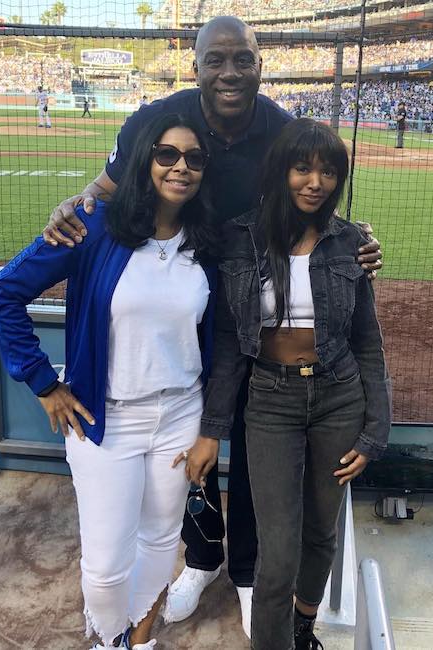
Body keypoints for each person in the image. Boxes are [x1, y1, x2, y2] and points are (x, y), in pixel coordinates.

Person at [40, 16, 383, 637]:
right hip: (190, 303)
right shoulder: (156, 119)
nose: (229, 73)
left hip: (260, 306)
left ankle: (249, 572)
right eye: (215, 60)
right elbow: (109, 187)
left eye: (242, 60)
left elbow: (313, 197)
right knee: (192, 448)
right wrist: (74, 203)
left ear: (259, 64)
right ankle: (201, 560)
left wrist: (356, 243)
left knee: (258, 451)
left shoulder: (279, 127)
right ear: (194, 64)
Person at [0, 114, 221, 649]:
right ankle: (108, 639)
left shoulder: (206, 241)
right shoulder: (93, 226)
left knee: (161, 542)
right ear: (144, 160)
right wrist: (44, 383)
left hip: (182, 416)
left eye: (194, 158)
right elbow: (5, 294)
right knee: (107, 563)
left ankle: (140, 642)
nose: (181, 167)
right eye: (167, 154)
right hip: (105, 417)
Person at [201, 119, 391, 649]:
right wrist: (212, 428)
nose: (316, 182)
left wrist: (376, 431)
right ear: (280, 170)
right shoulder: (240, 238)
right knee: (277, 550)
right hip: (270, 402)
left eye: (329, 172)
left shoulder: (350, 241)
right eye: (303, 168)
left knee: (320, 533)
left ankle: (303, 626)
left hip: (338, 397)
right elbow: (226, 348)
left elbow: (368, 342)